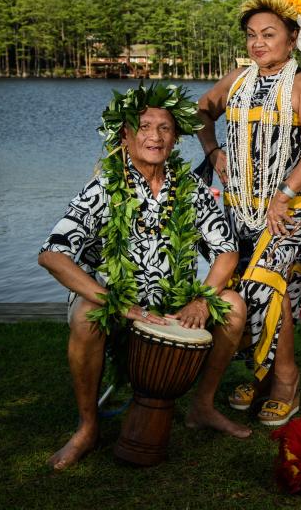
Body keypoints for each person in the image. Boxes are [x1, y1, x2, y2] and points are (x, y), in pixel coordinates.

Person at [38, 83, 249, 471]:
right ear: (125, 135)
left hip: (176, 301)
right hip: (113, 301)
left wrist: (202, 298)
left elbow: (227, 251)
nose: (155, 136)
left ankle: (202, 407)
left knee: (233, 305)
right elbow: (52, 254)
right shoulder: (104, 186)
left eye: (165, 128)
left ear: (176, 137)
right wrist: (117, 304)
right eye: (145, 126)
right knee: (86, 316)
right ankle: (87, 428)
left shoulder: (192, 189)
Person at [196, 0, 301, 426]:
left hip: (290, 208)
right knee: (246, 291)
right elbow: (199, 110)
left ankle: (286, 380)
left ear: (292, 38)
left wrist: (286, 192)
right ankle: (260, 375)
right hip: (240, 207)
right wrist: (212, 148)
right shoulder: (237, 81)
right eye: (252, 35)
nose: (258, 43)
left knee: (265, 284)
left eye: (269, 34)